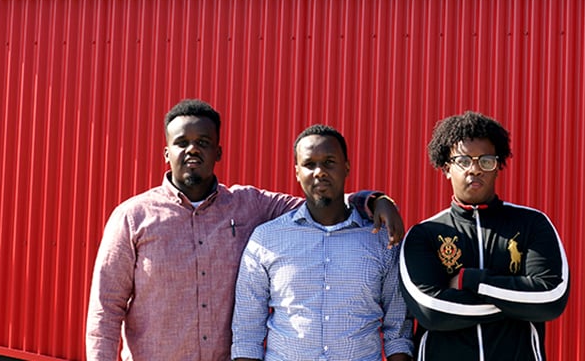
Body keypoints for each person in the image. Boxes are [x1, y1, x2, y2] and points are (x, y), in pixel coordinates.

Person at [85, 99, 403, 361]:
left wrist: (372, 201)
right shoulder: (132, 218)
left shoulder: (248, 205)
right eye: (181, 143)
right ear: (167, 153)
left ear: (218, 152)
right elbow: (106, 307)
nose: (192, 150)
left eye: (203, 143)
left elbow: (319, 204)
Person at [231, 124, 412, 361]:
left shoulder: (381, 240)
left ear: (346, 167)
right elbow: (247, 334)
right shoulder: (267, 240)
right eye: (309, 164)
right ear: (297, 172)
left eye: (329, 162)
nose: (319, 172)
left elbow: (397, 328)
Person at [399, 111, 570, 360]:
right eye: (464, 161)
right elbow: (431, 310)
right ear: (446, 168)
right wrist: (517, 304)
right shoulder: (424, 234)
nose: (475, 169)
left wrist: (471, 280)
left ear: (498, 166)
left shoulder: (532, 223)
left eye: (486, 161)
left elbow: (550, 297)